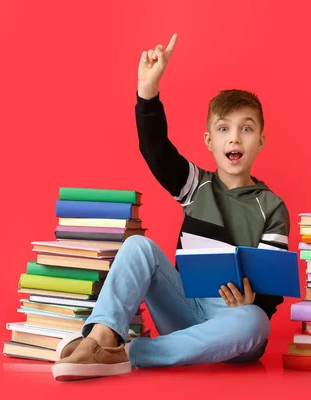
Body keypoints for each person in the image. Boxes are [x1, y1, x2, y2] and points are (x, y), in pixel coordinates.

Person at [52, 33, 290, 381]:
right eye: (224, 129)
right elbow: (156, 150)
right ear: (210, 141)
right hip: (187, 307)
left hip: (236, 320)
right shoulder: (197, 184)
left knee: (255, 322)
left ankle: (130, 353)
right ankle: (101, 338)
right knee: (137, 246)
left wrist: (256, 301)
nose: (234, 138)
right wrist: (147, 92)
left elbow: (272, 283)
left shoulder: (272, 206)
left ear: (261, 141)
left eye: (246, 129)